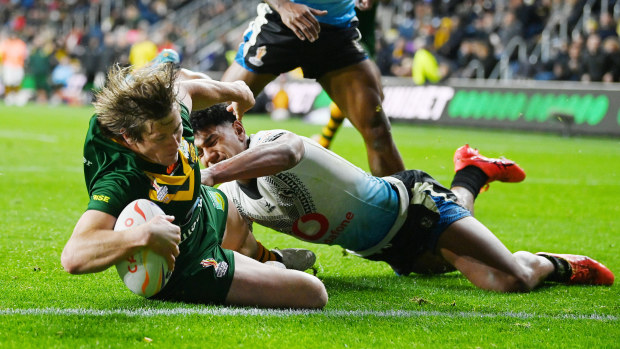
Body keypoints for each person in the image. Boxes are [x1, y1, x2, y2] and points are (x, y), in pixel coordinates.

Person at [190, 104, 615, 292]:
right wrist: (287, 263)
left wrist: (207, 173)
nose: (210, 151)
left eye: (214, 139)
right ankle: (472, 170)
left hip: (413, 205)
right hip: (385, 250)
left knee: (510, 280)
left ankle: (560, 265)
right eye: (202, 148)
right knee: (457, 261)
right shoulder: (231, 197)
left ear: (239, 129)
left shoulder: (269, 140)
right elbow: (239, 251)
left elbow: (289, 154)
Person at [60, 57, 327, 309]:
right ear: (130, 138)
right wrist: (143, 236)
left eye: (177, 129)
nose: (176, 143)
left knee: (242, 231)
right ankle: (262, 269)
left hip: (202, 209)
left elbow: (187, 89)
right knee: (313, 293)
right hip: (186, 264)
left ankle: (268, 259)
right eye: (161, 138)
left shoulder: (168, 113)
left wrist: (234, 90)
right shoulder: (122, 179)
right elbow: (74, 256)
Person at [221, 0, 404, 177]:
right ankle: (201, 198)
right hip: (281, 25)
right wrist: (283, 5)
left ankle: (404, 204)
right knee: (218, 114)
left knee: (377, 129)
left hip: (336, 32)